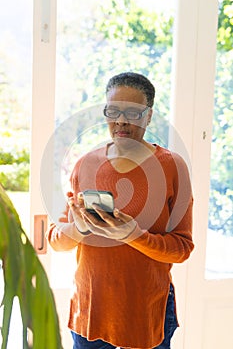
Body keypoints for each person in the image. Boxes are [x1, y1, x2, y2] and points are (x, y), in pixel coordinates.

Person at [47, 72, 194, 349]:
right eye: (113, 110)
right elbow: (56, 240)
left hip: (145, 311)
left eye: (133, 113)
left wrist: (133, 235)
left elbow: (182, 248)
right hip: (89, 310)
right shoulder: (85, 164)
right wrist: (79, 228)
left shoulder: (172, 167)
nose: (121, 120)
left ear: (149, 116)